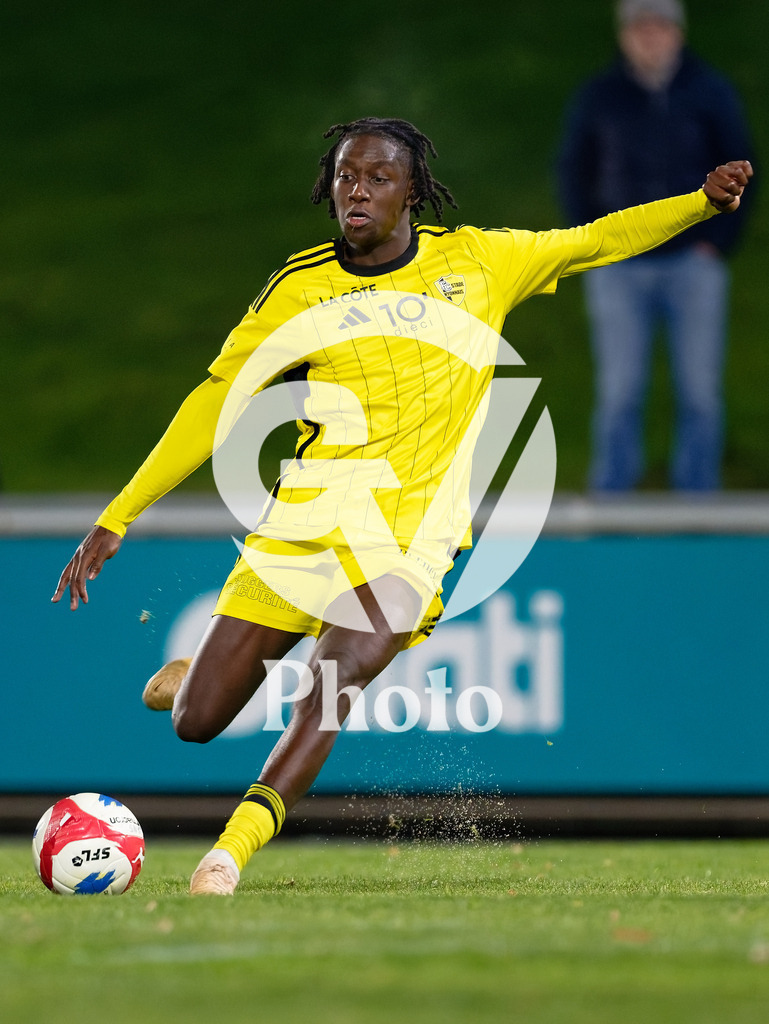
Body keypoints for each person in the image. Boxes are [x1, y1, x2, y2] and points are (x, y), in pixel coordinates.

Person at [52, 115, 752, 894]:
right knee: (198, 724)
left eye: (378, 176)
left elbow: (593, 239)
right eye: (346, 176)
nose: (357, 189)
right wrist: (120, 513)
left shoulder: (481, 262)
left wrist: (697, 202)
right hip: (304, 526)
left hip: (411, 541)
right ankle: (189, 682)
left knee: (332, 681)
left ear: (412, 192)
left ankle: (229, 854)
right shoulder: (300, 288)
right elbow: (217, 400)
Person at [557, 0, 753, 490]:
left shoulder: (710, 92)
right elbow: (572, 171)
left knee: (700, 392)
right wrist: (593, 240)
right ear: (624, 35)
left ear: (678, 33)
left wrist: (718, 241)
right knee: (620, 391)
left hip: (694, 261)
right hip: (619, 265)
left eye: (660, 26)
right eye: (640, 27)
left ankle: (698, 510)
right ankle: (612, 509)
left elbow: (744, 165)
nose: (650, 36)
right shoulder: (599, 96)